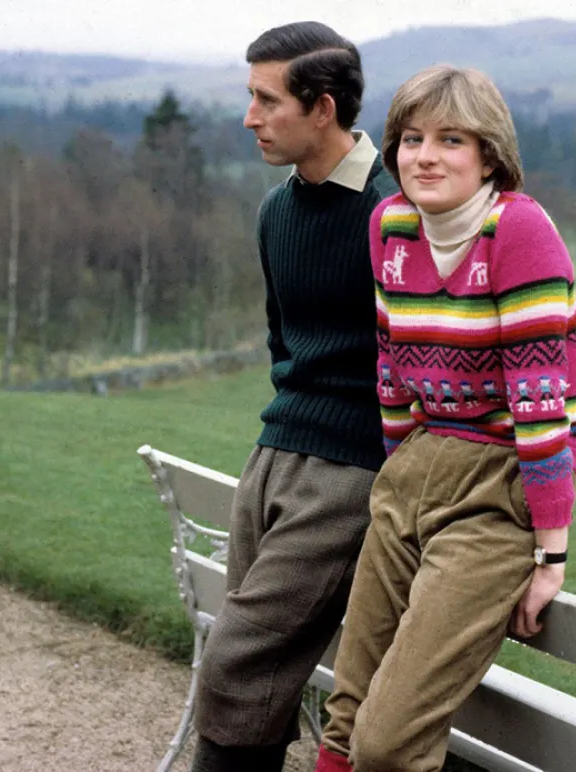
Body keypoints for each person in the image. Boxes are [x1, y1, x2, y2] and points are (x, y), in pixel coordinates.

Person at [314, 65, 576, 772]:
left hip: (495, 491)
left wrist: (550, 552)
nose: (424, 155)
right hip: (413, 473)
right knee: (344, 721)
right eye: (410, 138)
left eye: (450, 139)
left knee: (385, 744)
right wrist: (400, 472)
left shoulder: (517, 232)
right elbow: (391, 365)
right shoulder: (391, 227)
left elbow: (541, 408)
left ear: (489, 155)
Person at [190, 21, 399, 772]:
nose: (250, 117)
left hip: (352, 472)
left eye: (265, 100)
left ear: (323, 107)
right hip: (273, 454)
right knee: (259, 682)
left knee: (236, 661)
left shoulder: (394, 215)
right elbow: (287, 347)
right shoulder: (276, 211)